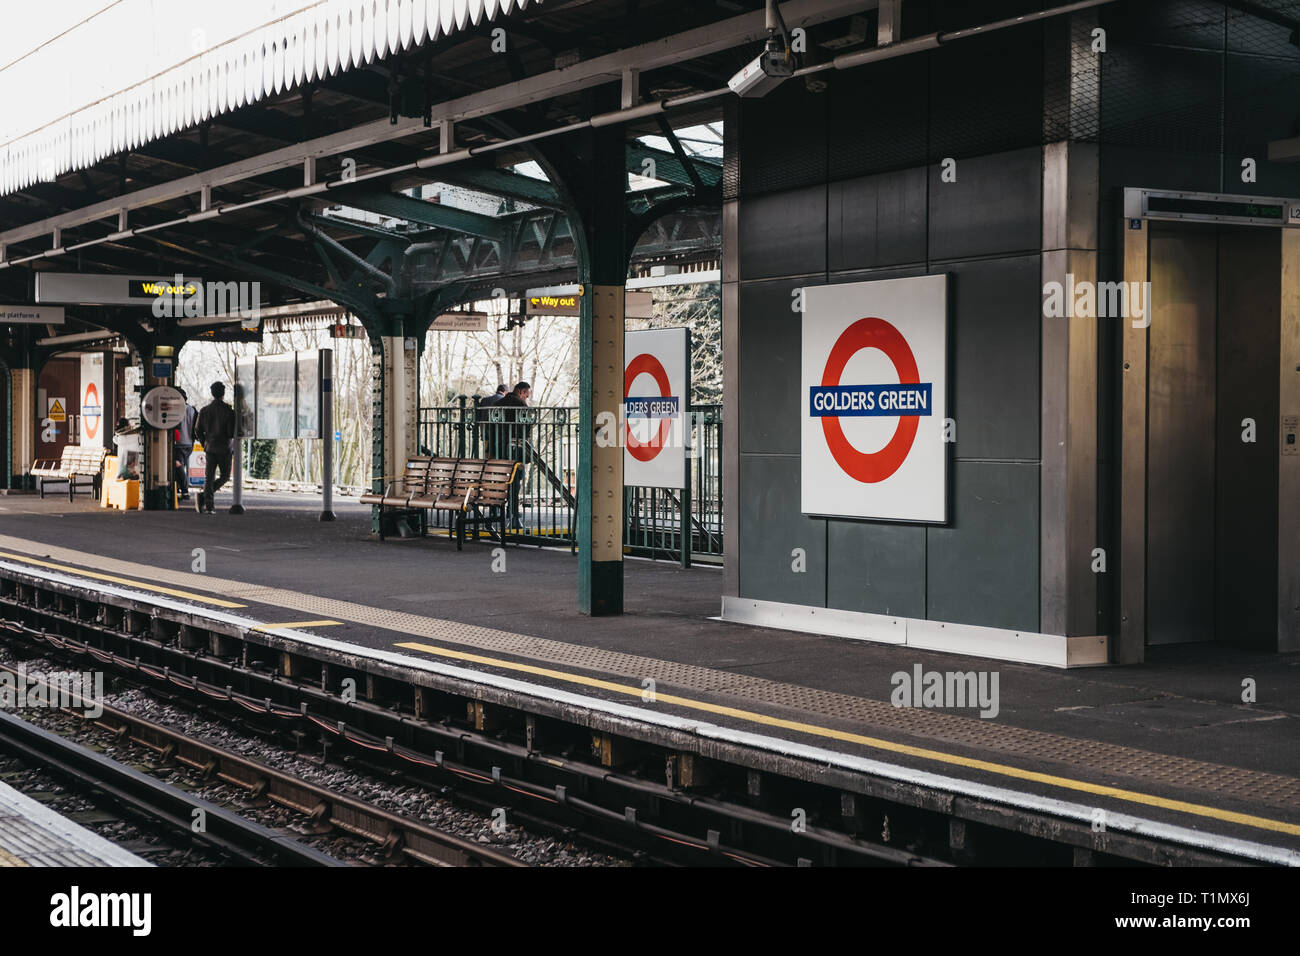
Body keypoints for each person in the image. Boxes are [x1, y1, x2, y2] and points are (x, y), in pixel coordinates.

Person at [193, 381, 236, 514]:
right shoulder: (229, 411)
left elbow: (197, 430)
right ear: (223, 394)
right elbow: (230, 433)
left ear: (212, 393)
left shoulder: (204, 410)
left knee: (209, 477)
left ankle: (209, 505)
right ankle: (203, 497)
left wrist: (204, 442)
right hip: (225, 448)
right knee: (224, 476)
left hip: (210, 448)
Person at [495, 382, 531, 530]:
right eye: (526, 395)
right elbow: (527, 426)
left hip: (499, 449)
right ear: (521, 392)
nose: (526, 399)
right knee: (516, 481)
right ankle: (513, 514)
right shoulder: (520, 406)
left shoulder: (498, 404)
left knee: (501, 481)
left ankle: (498, 511)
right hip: (516, 448)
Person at [172, 388, 198, 500]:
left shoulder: (176, 410)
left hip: (178, 443)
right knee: (183, 467)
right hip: (189, 444)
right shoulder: (192, 410)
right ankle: (179, 488)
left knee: (178, 466)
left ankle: (185, 490)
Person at [476, 384, 508, 457]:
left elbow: (478, 415)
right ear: (505, 392)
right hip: (499, 434)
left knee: (487, 454)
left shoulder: (485, 400)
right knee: (498, 455)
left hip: (485, 432)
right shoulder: (504, 400)